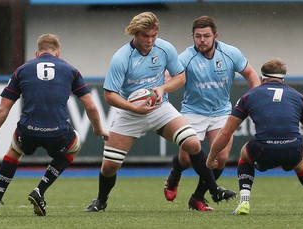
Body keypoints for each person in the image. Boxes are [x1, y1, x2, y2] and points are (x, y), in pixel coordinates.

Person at [84, 12, 235, 212]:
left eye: (154, 35)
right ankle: (101, 201)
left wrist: (162, 89)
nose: (150, 40)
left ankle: (214, 191)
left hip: (160, 108)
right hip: (130, 113)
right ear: (135, 34)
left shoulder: (165, 48)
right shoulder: (121, 57)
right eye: (146, 36)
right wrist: (134, 107)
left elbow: (179, 77)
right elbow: (109, 95)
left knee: (191, 142)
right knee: (110, 166)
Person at [0, 34, 109, 216]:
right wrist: (98, 129)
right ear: (58, 52)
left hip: (28, 131)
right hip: (58, 132)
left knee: (14, 150)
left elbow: (2, 110)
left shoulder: (22, 70)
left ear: (37, 53)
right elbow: (91, 106)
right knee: (74, 145)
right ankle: (40, 190)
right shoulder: (71, 70)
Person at [206, 58, 303, 215]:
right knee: (300, 163)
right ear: (283, 79)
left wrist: (211, 157)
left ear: (262, 79)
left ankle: (244, 202)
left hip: (263, 149)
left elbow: (226, 132)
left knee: (244, 154)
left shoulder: (249, 96)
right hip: (292, 148)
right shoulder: (298, 96)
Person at [163, 16, 260, 211]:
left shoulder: (231, 53)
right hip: (193, 112)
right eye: (197, 36)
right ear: (193, 36)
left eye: (206, 36)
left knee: (220, 158)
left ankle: (198, 197)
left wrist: (254, 100)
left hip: (221, 112)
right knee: (186, 160)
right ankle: (175, 173)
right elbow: (168, 76)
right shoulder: (185, 57)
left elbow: (251, 75)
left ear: (215, 36)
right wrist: (162, 89)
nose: (202, 40)